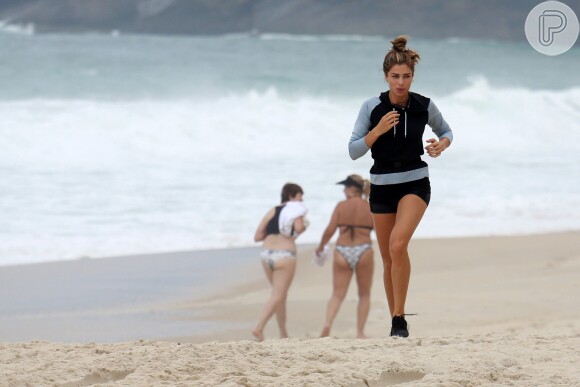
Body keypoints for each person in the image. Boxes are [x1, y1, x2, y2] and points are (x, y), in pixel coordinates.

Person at [347, 35, 453, 337]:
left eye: (406, 76)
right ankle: (396, 320)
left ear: (412, 76)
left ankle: (399, 319)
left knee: (397, 245)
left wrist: (441, 145)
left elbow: (445, 131)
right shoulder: (371, 107)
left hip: (415, 183)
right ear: (386, 77)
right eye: (395, 76)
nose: (401, 82)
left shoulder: (423, 105)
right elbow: (354, 150)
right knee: (388, 257)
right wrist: (377, 131)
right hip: (380, 187)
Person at [315, 174, 374, 339]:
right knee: (364, 294)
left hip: (342, 250)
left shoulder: (341, 206)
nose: (343, 190)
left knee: (337, 294)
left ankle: (327, 324)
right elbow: (380, 229)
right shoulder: (369, 206)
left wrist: (321, 247)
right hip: (364, 250)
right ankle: (360, 332)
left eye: (345, 187)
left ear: (351, 188)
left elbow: (329, 230)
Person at [252, 183, 307, 341]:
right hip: (284, 255)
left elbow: (257, 236)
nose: (301, 200)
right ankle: (259, 327)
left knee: (278, 295)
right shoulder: (296, 210)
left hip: (266, 254)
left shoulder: (272, 210)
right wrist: (303, 227)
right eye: (299, 197)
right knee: (279, 294)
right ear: (291, 196)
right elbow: (299, 227)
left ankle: (283, 334)